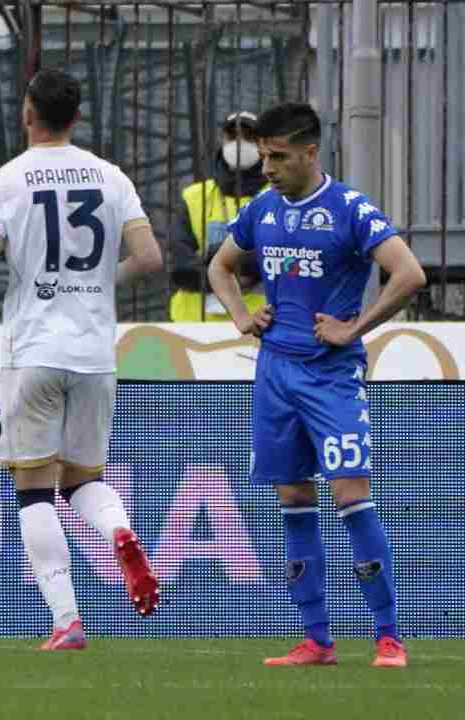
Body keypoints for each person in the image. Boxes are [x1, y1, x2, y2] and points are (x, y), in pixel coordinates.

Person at [0, 68, 163, 651]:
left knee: (34, 489)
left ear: (27, 113)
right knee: (86, 479)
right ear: (75, 116)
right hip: (95, 353)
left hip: (34, 351)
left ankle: (66, 620)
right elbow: (148, 258)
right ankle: (120, 530)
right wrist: (96, 286)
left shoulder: (3, 181)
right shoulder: (110, 177)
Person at [207, 102, 424, 668]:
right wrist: (240, 316)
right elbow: (219, 267)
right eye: (263, 157)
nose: (267, 168)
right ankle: (317, 640)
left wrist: (355, 327)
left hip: (330, 375)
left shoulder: (350, 208)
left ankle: (388, 636)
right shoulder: (262, 208)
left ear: (309, 153)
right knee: (293, 498)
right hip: (275, 372)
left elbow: (409, 274)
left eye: (278, 157)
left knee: (350, 495)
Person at [169, 111, 268, 321]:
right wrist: (235, 266)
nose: (240, 143)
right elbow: (179, 267)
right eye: (233, 136)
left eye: (249, 137)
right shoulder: (194, 196)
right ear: (223, 141)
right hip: (194, 325)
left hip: (260, 324)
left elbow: (274, 258)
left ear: (262, 144)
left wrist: (213, 259)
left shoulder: (278, 198)